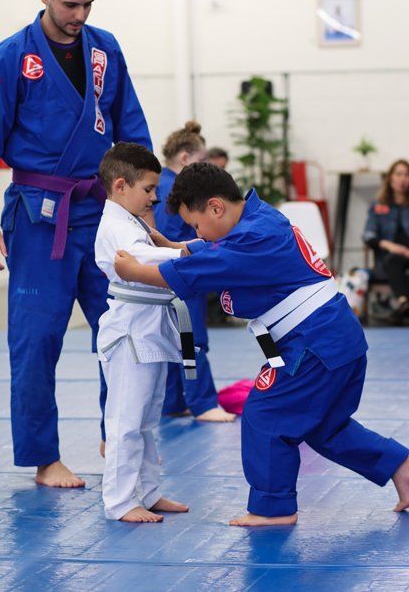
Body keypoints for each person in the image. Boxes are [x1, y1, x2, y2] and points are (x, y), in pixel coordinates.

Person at [114, 163, 409, 526]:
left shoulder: (252, 240)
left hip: (314, 345)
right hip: (336, 341)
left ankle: (273, 508)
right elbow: (217, 250)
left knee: (266, 414)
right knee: (324, 426)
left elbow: (199, 268)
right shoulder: (260, 219)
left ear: (216, 207)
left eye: (196, 224)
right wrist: (178, 247)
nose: (198, 233)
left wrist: (132, 271)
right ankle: (401, 465)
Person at [0, 0, 152, 488]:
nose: (79, 14)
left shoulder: (106, 48)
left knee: (123, 330)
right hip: (38, 214)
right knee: (36, 339)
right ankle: (43, 457)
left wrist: (147, 205)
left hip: (101, 210)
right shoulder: (13, 56)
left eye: (87, 4)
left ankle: (118, 438)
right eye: (69, 3)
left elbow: (131, 130)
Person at [96, 142, 190, 522]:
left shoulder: (133, 220)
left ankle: (148, 492)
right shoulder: (115, 225)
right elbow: (145, 260)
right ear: (121, 186)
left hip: (151, 328)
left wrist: (187, 249)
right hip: (130, 333)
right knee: (125, 422)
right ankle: (120, 502)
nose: (154, 196)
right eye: (148, 189)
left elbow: (157, 251)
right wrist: (193, 255)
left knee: (148, 422)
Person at [154, 122, 235, 422]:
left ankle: (174, 402)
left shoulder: (165, 185)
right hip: (180, 275)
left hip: (175, 273)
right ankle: (203, 404)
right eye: (201, 162)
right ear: (186, 159)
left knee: (177, 341)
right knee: (192, 340)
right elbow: (167, 237)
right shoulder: (170, 189)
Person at [363, 159, 409, 324]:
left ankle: (401, 306)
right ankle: (403, 303)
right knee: (393, 260)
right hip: (389, 258)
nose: (403, 179)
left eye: (406, 174)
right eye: (399, 174)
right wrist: (390, 246)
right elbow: (368, 235)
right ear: (390, 178)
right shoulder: (378, 206)